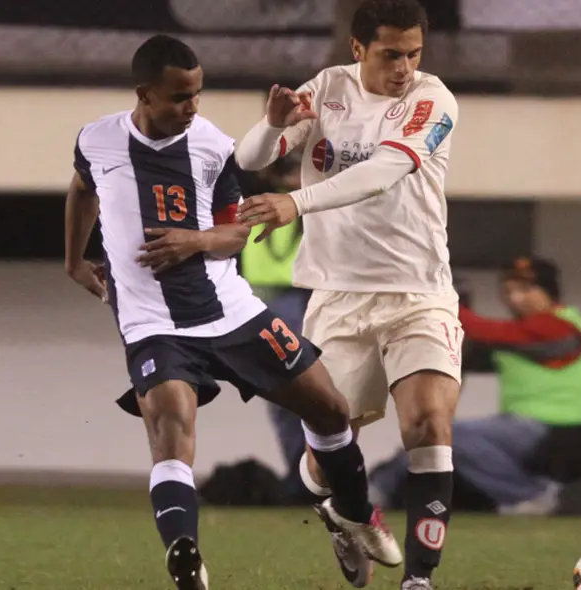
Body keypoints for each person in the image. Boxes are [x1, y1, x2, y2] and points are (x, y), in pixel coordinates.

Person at [63, 34, 401, 590]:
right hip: (154, 325)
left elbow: (237, 231)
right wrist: (75, 261)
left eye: (197, 94)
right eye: (178, 98)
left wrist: (194, 242)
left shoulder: (213, 146)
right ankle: (185, 554)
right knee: (171, 428)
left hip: (232, 313)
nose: (191, 107)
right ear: (144, 94)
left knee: (331, 410)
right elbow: (81, 189)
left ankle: (351, 513)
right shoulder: (97, 140)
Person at [235, 2, 462, 588]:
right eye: (391, 54)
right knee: (325, 460)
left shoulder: (433, 101)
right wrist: (271, 122)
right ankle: (340, 514)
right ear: (358, 48)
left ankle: (418, 581)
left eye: (414, 53)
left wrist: (294, 202)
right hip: (337, 298)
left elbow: (384, 171)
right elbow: (250, 159)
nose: (405, 67)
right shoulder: (327, 90)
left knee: (429, 425)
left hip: (418, 293)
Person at [369, 258, 581, 515]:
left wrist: (443, 303)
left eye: (525, 290)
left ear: (548, 291)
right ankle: (375, 490)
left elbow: (487, 332)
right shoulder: (525, 339)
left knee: (448, 435)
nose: (515, 299)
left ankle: (531, 495)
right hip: (529, 428)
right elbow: (470, 352)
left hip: (563, 431)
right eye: (509, 291)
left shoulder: (559, 327)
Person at [238, 160, 313, 502]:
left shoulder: (297, 206)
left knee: (297, 399)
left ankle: (308, 477)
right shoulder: (260, 202)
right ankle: (304, 477)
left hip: (283, 299)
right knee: (291, 399)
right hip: (274, 300)